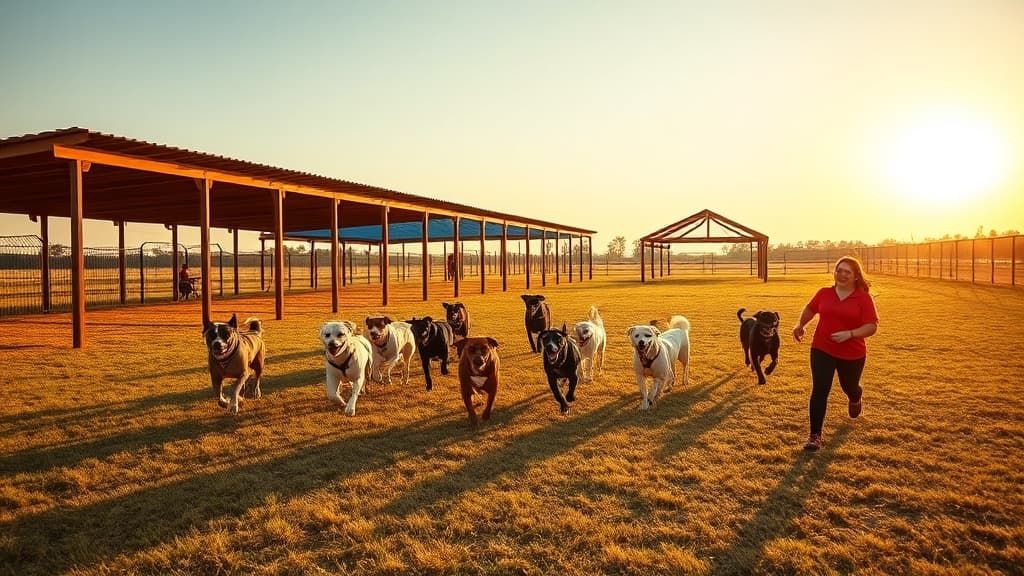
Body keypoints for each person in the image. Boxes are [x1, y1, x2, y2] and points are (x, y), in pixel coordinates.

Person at [792, 256, 878, 451]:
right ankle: (815, 435)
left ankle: (855, 397)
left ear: (856, 276)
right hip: (822, 348)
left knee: (850, 386)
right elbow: (811, 308)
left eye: (848, 271)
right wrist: (800, 325)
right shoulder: (824, 293)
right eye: (839, 270)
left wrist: (851, 334)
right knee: (820, 389)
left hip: (852, 353)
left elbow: (872, 326)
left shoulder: (863, 298)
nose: (842, 274)